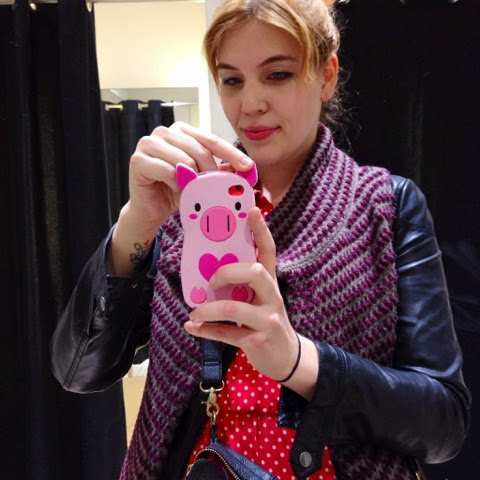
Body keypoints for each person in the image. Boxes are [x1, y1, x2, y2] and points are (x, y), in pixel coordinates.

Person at [51, 0, 471, 479]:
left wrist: (299, 361)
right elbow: (78, 371)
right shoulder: (188, 207)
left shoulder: (386, 206)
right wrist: (135, 224)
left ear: (326, 75)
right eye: (232, 80)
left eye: (277, 75)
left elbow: (443, 423)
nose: (249, 104)